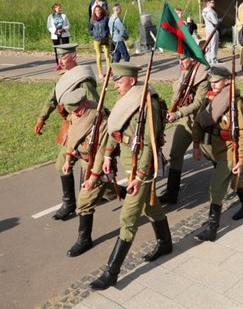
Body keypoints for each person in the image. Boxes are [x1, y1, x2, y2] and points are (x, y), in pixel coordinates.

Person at [90, 63, 171, 290]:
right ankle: (165, 243)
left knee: (128, 217)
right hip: (128, 162)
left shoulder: (147, 104)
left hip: (142, 168)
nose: (115, 84)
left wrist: (140, 176)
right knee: (150, 208)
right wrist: (107, 155)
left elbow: (149, 145)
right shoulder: (127, 100)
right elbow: (116, 129)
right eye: (114, 80)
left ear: (132, 80)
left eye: (119, 80)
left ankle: (111, 272)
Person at [34, 43, 98, 221]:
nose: (60, 61)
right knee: (61, 164)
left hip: (85, 128)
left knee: (90, 170)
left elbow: (94, 105)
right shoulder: (63, 78)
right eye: (59, 57)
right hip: (70, 127)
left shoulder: (83, 79)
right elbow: (52, 98)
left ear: (74, 57)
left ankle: (120, 194)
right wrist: (42, 118)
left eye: (63, 57)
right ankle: (69, 202)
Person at [191, 65, 243, 240]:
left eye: (217, 81)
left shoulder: (235, 102)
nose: (213, 85)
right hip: (214, 148)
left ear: (227, 81)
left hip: (230, 150)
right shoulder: (209, 99)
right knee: (234, 179)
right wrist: (196, 144)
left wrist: (241, 158)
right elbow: (198, 122)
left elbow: (242, 131)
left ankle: (212, 229)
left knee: (216, 187)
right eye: (212, 82)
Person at [59, 88, 115, 257]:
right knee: (110, 192)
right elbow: (71, 136)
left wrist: (93, 177)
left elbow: (102, 151)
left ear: (85, 102)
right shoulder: (74, 115)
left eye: (78, 108)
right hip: (84, 161)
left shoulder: (100, 119)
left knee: (84, 201)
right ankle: (133, 196)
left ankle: (84, 240)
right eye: (73, 110)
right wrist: (68, 160)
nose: (76, 113)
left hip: (99, 166)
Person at [159, 51, 210, 205]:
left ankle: (236, 185)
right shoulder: (185, 76)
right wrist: (172, 109)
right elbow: (177, 95)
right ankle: (172, 193)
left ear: (192, 59)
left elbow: (199, 103)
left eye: (184, 59)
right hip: (185, 121)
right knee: (175, 154)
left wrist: (178, 114)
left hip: (201, 122)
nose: (180, 62)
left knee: (214, 156)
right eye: (179, 60)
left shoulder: (203, 78)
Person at [88, 5, 111, 79]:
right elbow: (90, 29)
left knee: (107, 55)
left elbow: (109, 28)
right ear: (94, 12)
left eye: (99, 10)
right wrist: (94, 33)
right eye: (96, 10)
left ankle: (109, 71)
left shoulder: (105, 19)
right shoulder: (92, 20)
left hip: (105, 39)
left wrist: (106, 33)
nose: (97, 12)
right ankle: (100, 72)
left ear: (101, 11)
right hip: (96, 40)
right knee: (98, 56)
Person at [47, 3, 71, 70]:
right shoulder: (50, 17)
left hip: (64, 35)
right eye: (58, 7)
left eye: (60, 7)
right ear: (54, 9)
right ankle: (58, 64)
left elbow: (68, 25)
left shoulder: (64, 16)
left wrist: (63, 29)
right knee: (57, 50)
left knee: (65, 50)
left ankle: (66, 63)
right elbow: (49, 26)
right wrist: (55, 31)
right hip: (55, 35)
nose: (59, 8)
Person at [201, 0, 220, 64]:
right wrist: (219, 21)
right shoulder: (211, 12)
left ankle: (208, 58)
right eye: (212, 2)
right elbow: (215, 22)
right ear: (208, 3)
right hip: (213, 29)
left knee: (208, 43)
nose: (214, 3)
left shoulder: (204, 10)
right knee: (214, 44)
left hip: (207, 28)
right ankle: (213, 59)